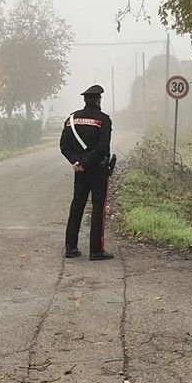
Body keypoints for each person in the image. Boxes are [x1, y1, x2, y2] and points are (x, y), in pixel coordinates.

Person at [60, 84, 114, 261]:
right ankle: (96, 250)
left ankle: (70, 247)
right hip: (98, 170)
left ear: (85, 100)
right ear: (98, 100)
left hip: (80, 171)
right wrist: (86, 161)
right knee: (98, 208)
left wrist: (76, 161)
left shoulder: (72, 119)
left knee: (77, 206)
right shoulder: (103, 120)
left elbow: (64, 146)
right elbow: (102, 147)